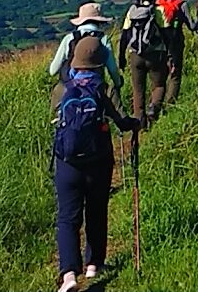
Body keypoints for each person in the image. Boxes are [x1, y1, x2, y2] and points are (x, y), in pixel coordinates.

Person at [50, 34, 141, 292]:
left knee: (67, 218)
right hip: (99, 160)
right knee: (96, 210)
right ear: (100, 63)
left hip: (67, 162)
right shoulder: (104, 89)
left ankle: (68, 274)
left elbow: (57, 122)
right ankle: (94, 264)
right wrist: (135, 125)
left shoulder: (61, 89)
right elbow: (123, 121)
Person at [47, 2, 124, 115]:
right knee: (116, 114)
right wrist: (117, 84)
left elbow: (53, 70)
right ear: (99, 21)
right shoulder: (103, 39)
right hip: (95, 88)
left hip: (66, 87)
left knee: (58, 119)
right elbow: (112, 69)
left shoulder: (69, 38)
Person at [118, 0, 175, 122]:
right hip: (156, 54)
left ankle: (139, 123)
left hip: (135, 54)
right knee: (159, 85)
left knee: (138, 90)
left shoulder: (132, 11)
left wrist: (121, 57)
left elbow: (124, 36)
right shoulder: (158, 11)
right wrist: (170, 55)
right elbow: (167, 35)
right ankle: (153, 109)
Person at [155, 0, 198, 105]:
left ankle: (156, 104)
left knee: (161, 76)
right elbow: (192, 25)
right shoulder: (182, 5)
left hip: (158, 46)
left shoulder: (158, 4)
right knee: (175, 75)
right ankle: (170, 103)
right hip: (175, 45)